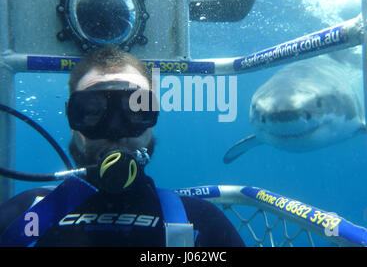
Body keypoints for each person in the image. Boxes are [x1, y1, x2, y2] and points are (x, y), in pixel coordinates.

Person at [0, 46, 245, 247]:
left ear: (153, 121)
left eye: (136, 110)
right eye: (92, 111)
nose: (115, 131)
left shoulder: (202, 222)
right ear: (72, 122)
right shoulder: (23, 214)